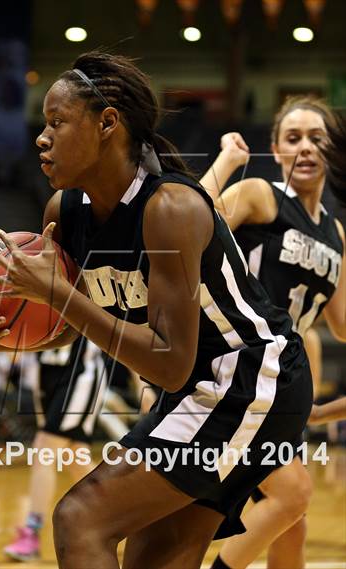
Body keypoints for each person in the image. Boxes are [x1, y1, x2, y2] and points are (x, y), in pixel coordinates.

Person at [0, 52, 313, 569]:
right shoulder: (65, 211)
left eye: (57, 122)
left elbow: (168, 361)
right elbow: (72, 327)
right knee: (152, 559)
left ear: (107, 124)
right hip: (198, 387)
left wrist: (58, 294)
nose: (40, 137)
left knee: (80, 518)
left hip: (250, 380)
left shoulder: (171, 210)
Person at [200, 96, 345, 569]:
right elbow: (182, 221)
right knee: (293, 494)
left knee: (292, 527)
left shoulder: (337, 234)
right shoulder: (262, 194)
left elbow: (341, 325)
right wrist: (227, 164)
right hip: (237, 368)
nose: (305, 147)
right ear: (277, 149)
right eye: (293, 138)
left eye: (316, 138)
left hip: (283, 382)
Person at [4, 337, 107, 562]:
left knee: (44, 449)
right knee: (74, 456)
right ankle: (127, 516)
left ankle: (31, 532)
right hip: (44, 371)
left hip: (81, 371)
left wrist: (142, 384)